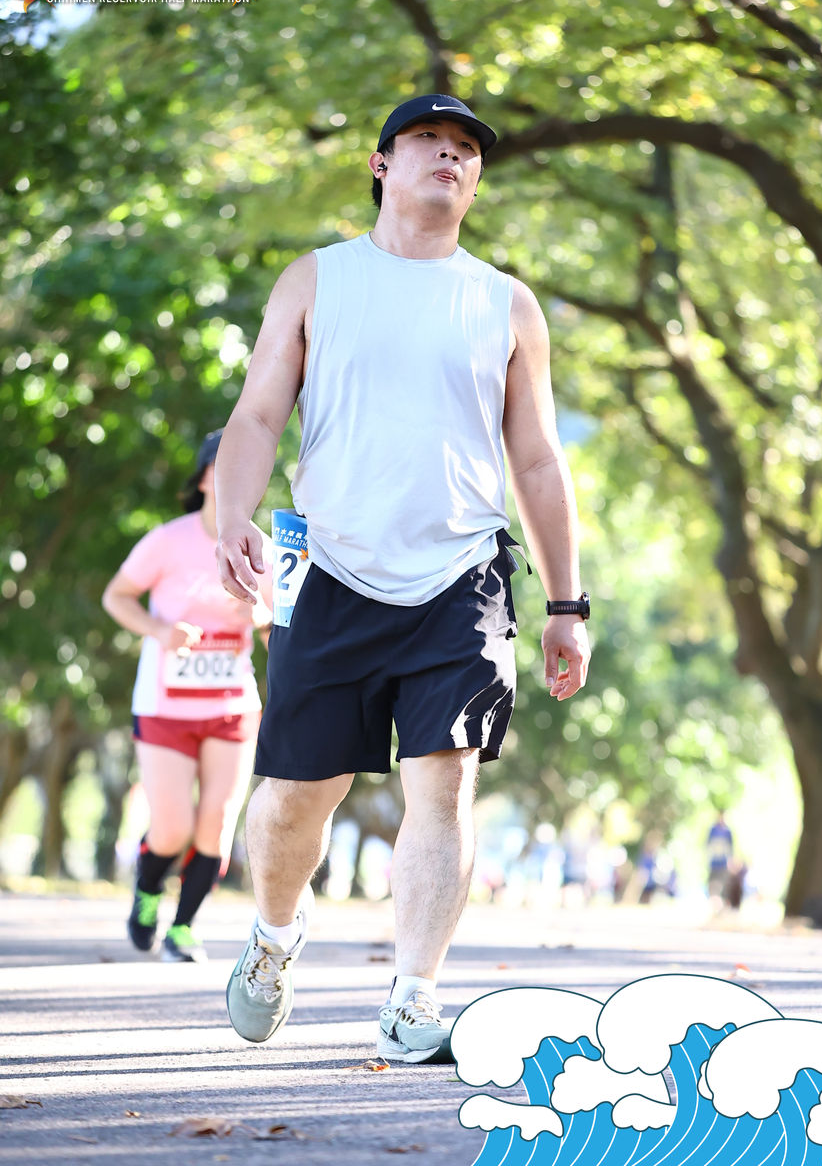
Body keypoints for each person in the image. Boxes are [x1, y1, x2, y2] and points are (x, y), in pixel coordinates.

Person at [214, 93, 591, 1061]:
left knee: (446, 782)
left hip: (463, 573)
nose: (449, 156)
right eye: (428, 140)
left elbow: (537, 458)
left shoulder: (505, 303)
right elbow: (257, 415)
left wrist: (566, 603)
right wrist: (231, 517)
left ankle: (414, 995)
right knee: (297, 794)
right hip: (328, 564)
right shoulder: (318, 279)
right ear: (381, 163)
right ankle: (274, 934)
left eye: (466, 148)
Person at [102, 430, 272, 963]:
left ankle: (182, 929)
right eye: (223, 465)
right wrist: (160, 631)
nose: (234, 475)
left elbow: (278, 633)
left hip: (231, 706)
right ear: (203, 478)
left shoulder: (265, 550)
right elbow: (116, 597)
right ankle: (148, 888)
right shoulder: (167, 541)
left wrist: (261, 616)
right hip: (164, 705)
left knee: (215, 827)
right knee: (172, 829)